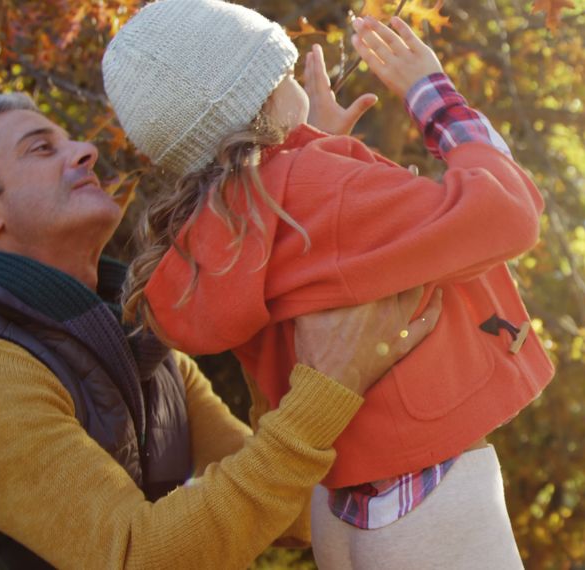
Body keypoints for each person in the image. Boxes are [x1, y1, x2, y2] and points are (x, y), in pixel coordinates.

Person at [101, 0, 555, 566]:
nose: (295, 82)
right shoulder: (319, 190)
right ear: (267, 98)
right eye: (285, 75)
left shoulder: (223, 229)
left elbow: (318, 235)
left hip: (337, 506)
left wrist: (311, 144)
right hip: (429, 486)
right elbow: (505, 215)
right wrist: (432, 94)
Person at [0, 91, 441, 569]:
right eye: (42, 148)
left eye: (70, 140)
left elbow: (291, 511)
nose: (86, 151)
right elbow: (138, 556)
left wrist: (308, 181)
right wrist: (326, 388)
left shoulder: (151, 356)